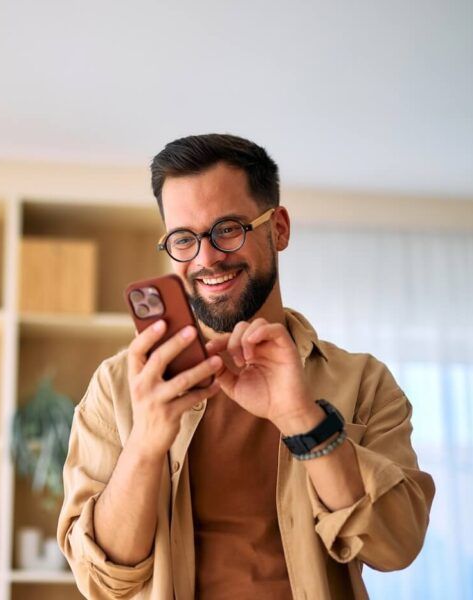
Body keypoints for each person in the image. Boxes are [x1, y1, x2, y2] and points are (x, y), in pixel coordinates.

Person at [56, 133, 435, 599]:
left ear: (278, 228)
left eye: (228, 229)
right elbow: (101, 579)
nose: (207, 257)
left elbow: (396, 545)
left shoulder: (364, 382)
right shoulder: (117, 387)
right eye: (183, 239)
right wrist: (147, 441)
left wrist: (303, 420)